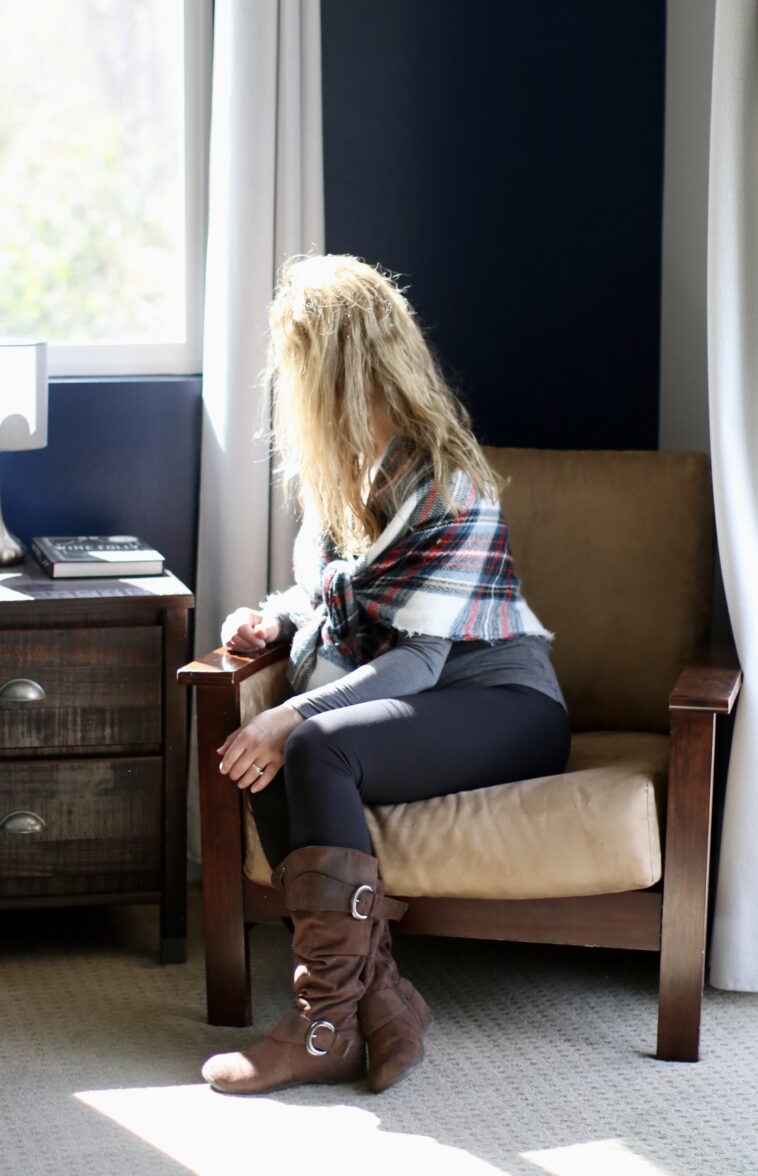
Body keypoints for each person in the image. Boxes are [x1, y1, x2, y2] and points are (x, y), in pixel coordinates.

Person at [201, 254, 571, 1096]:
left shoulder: (448, 484)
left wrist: (285, 717)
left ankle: (321, 1021)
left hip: (499, 700)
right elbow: (343, 597)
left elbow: (418, 656)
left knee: (307, 743)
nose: (286, 387)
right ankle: (380, 1001)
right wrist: (280, 618)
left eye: (296, 366)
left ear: (336, 369)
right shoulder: (343, 477)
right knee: (269, 747)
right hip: (418, 693)